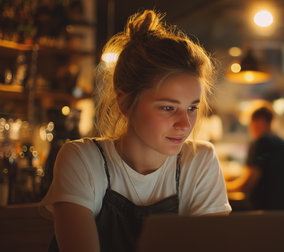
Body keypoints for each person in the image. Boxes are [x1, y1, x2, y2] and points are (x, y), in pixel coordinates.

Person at [40, 10, 231, 252]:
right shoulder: (83, 159)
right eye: (168, 107)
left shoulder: (199, 161)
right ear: (124, 102)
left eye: (192, 107)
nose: (185, 124)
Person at [226, 106, 284, 210]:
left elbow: (249, 182)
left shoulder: (260, 143)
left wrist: (225, 187)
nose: (250, 128)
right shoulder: (283, 144)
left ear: (259, 122)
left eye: (251, 123)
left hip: (265, 211)